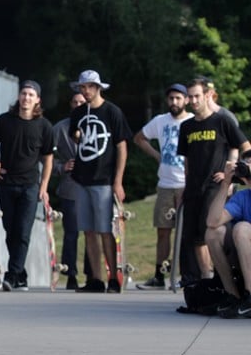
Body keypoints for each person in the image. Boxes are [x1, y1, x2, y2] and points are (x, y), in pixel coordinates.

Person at [177, 77, 250, 285]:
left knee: (210, 230)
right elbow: (187, 159)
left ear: (207, 95)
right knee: (194, 237)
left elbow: (245, 146)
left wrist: (232, 174)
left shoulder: (222, 120)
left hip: (215, 186)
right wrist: (186, 183)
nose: (193, 101)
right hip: (193, 186)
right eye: (190, 97)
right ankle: (204, 281)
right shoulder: (187, 126)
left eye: (197, 96)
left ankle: (218, 281)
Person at [68, 70, 132, 293]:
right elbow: (74, 135)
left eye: (88, 87)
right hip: (82, 178)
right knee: (88, 230)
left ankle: (113, 277)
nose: (84, 91)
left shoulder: (112, 112)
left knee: (105, 230)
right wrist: (77, 136)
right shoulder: (78, 112)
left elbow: (122, 147)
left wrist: (118, 180)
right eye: (82, 87)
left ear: (98, 88)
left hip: (103, 179)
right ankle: (96, 278)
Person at [0, 80, 54, 291]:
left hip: (30, 185)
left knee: (23, 231)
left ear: (37, 100)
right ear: (19, 97)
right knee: (11, 231)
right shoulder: (5, 120)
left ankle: (12, 274)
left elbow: (48, 158)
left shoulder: (44, 126)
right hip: (6, 184)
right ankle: (21, 274)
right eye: (24, 94)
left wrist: (44, 186)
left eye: (31, 95)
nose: (26, 98)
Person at [133, 83, 193, 290]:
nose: (174, 102)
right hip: (166, 184)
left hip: (186, 184)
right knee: (163, 231)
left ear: (186, 100)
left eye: (178, 98)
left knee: (187, 233)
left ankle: (188, 275)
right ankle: (160, 275)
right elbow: (139, 138)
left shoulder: (193, 121)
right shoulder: (160, 121)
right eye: (171, 98)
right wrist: (157, 156)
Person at [205, 152, 251, 318]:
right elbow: (212, 222)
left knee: (242, 228)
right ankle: (234, 296)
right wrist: (225, 183)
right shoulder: (243, 197)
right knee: (213, 233)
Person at [52, 91, 89, 290]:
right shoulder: (60, 128)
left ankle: (92, 274)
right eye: (74, 101)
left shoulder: (95, 124)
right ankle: (71, 273)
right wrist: (61, 167)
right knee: (72, 232)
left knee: (93, 231)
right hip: (71, 187)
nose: (78, 104)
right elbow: (46, 156)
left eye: (82, 102)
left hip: (93, 185)